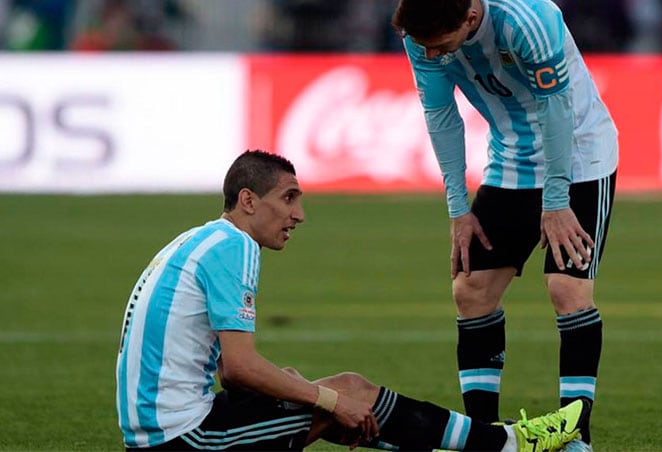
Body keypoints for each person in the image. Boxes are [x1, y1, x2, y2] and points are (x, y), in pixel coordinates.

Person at [115, 150, 589, 451]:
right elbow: (238, 368)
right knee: (350, 393)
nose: (299, 214)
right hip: (184, 439)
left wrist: (296, 389)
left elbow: (226, 374)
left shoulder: (197, 241)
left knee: (344, 401)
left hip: (163, 429)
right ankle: (512, 443)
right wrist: (326, 400)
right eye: (289, 198)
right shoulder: (235, 247)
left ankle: (489, 443)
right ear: (248, 200)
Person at [392, 1, 618, 451]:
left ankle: (576, 437)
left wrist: (556, 202)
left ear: (471, 18)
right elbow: (441, 116)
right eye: (425, 48)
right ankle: (483, 436)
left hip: (579, 156)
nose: (432, 56)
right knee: (471, 288)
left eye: (441, 47)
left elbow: (557, 110)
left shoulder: (528, 21)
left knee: (567, 289)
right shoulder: (422, 34)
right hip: (512, 159)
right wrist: (458, 209)